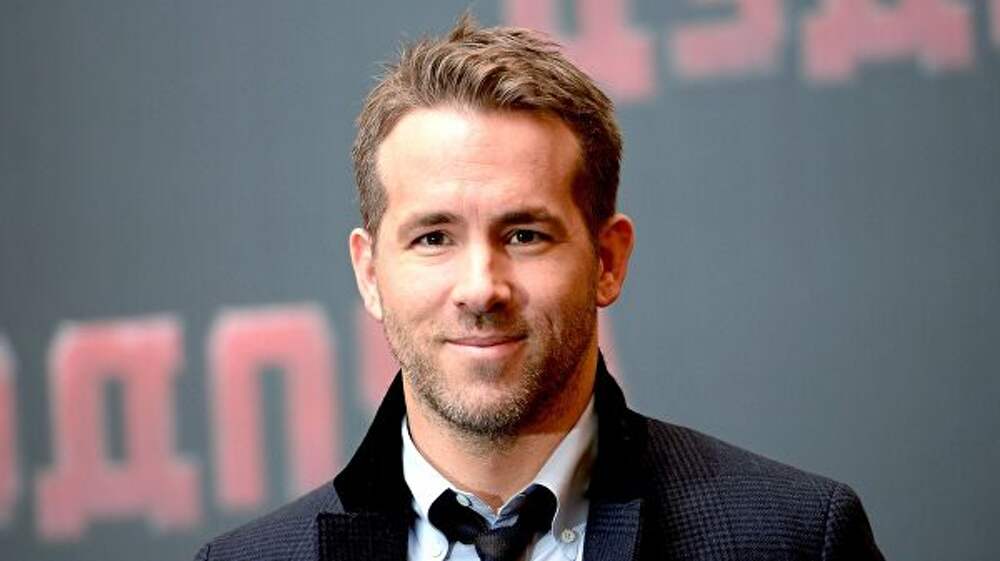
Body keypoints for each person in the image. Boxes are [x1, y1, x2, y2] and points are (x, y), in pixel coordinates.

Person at [194, 15, 883, 561]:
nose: (480, 288)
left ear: (607, 260)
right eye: (433, 237)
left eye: (524, 234)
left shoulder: (793, 538)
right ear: (370, 274)